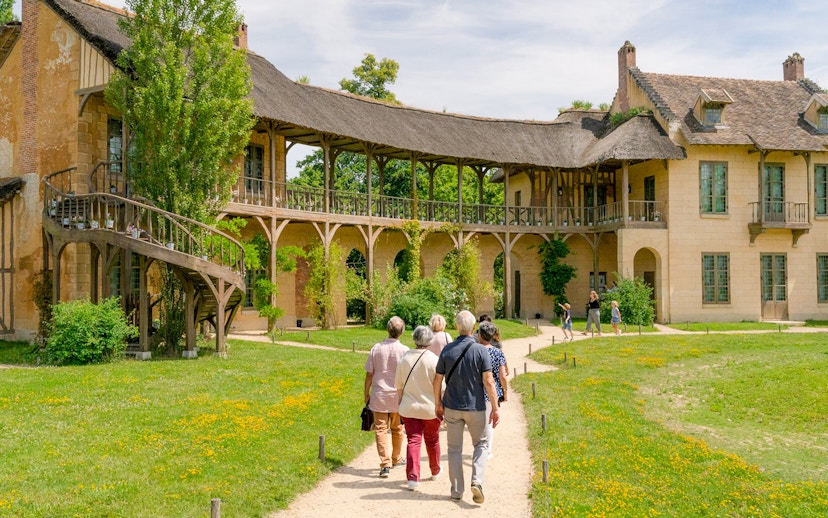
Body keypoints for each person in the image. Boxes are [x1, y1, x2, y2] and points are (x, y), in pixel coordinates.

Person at [433, 310, 500, 504]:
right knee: (480, 444)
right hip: (476, 407)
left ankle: (456, 490)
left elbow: (437, 380)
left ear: (456, 327)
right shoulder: (481, 350)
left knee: (454, 449)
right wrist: (495, 408)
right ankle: (477, 481)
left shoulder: (447, 350)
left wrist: (438, 403)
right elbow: (488, 381)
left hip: (452, 406)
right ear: (473, 329)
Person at [395, 325, 442, 491]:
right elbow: (441, 386)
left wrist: (401, 400)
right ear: (429, 340)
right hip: (430, 408)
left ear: (414, 338)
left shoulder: (404, 358)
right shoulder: (434, 360)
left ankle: (413, 477)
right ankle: (435, 470)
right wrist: (440, 404)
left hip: (409, 407)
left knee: (413, 440)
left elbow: (398, 386)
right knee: (432, 439)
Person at [364, 316, 409, 478]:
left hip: (380, 395)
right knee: (398, 428)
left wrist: (366, 393)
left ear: (387, 330)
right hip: (397, 396)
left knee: (381, 429)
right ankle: (396, 457)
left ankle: (385, 464)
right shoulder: (404, 350)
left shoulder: (376, 348)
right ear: (402, 331)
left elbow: (369, 374)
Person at [477, 320, 507, 459]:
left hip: (475, 391)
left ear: (479, 335)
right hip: (491, 392)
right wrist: (504, 391)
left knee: (478, 422)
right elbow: (502, 375)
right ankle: (487, 450)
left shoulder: (475, 352)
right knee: (489, 422)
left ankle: (478, 447)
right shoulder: (497, 353)